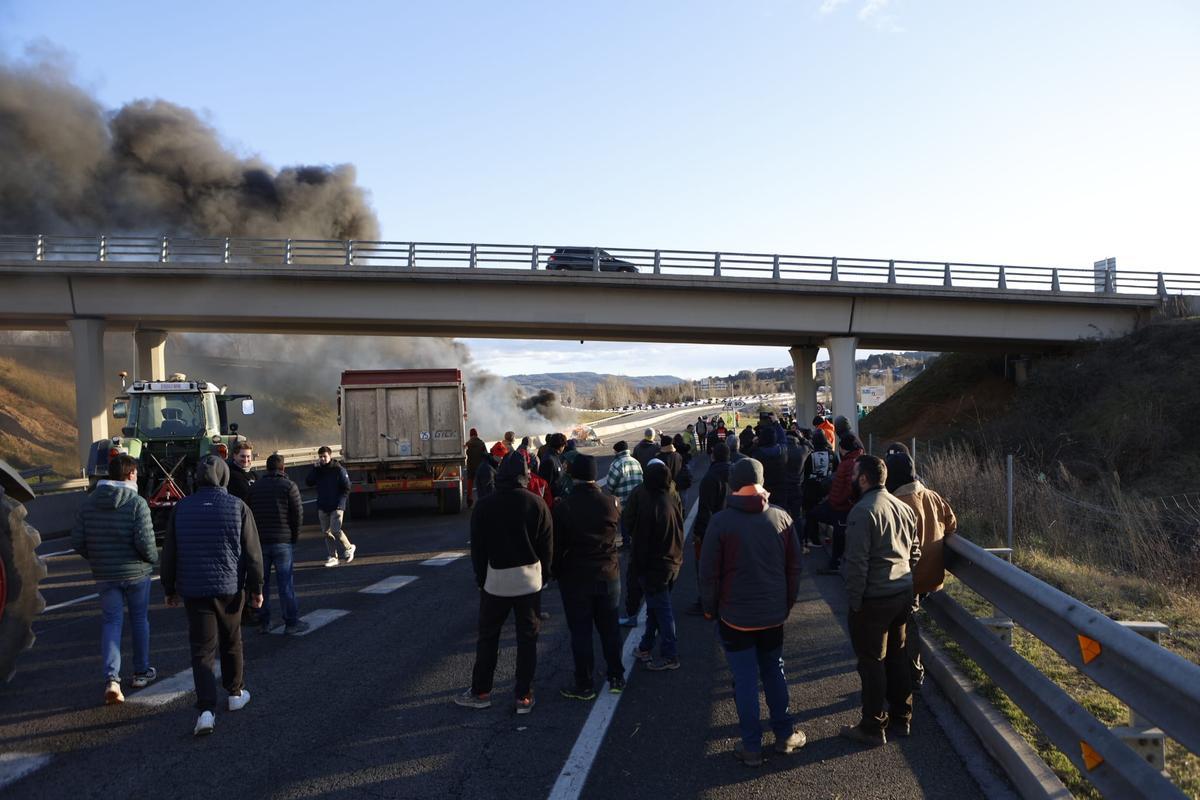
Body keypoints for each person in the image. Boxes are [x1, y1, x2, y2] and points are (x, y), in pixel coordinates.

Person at [699, 457, 806, 766]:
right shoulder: (781, 518)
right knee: (774, 670)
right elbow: (794, 569)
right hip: (773, 614)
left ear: (734, 484)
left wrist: (710, 609)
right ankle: (785, 735)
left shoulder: (721, 522)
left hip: (735, 617)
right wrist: (787, 603)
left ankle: (751, 747)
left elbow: (708, 574)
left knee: (745, 679)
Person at [161, 455, 264, 737]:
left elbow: (169, 554)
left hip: (194, 589)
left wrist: (169, 588)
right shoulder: (237, 507)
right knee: (232, 641)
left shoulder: (181, 508)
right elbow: (253, 555)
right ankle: (234, 693)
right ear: (224, 477)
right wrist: (257, 589)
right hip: (230, 588)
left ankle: (206, 710)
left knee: (202, 650)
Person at [456, 454, 552, 715]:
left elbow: (478, 550)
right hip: (529, 580)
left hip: (495, 581)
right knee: (527, 639)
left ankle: (481, 691)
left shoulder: (484, 506)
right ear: (526, 475)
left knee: (488, 638)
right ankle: (524, 695)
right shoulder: (537, 503)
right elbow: (546, 546)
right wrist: (545, 577)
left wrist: (480, 579)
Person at [840, 455, 920, 747]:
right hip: (902, 594)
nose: (851, 479)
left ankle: (873, 725)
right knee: (897, 656)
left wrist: (854, 602)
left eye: (854, 475)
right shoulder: (903, 507)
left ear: (864, 479)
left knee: (872, 662)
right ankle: (902, 716)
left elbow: (857, 564)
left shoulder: (862, 512)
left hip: (873, 599)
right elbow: (915, 551)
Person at [71, 453, 158, 705]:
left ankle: (112, 679)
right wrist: (151, 560)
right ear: (130, 475)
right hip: (136, 573)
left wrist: (97, 557)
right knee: (139, 620)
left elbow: (77, 540)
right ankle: (141, 673)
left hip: (105, 574)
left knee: (111, 623)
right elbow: (146, 543)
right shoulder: (137, 502)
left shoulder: (89, 503)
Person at [552, 455, 626, 699]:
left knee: (581, 632)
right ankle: (616, 675)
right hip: (608, 574)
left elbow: (557, 544)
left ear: (574, 476)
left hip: (576, 576)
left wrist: (554, 571)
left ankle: (584, 684)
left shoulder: (564, 506)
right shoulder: (611, 503)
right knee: (610, 628)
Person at [886, 452, 956, 687]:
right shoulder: (932, 495)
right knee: (909, 615)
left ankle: (913, 673)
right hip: (933, 572)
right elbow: (952, 524)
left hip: (909, 575)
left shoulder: (895, 503)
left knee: (906, 620)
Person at [626, 459, 685, 671]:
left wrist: (637, 570)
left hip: (655, 567)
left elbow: (640, 542)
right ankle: (645, 646)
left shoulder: (650, 506)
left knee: (663, 610)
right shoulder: (670, 498)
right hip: (672, 561)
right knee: (655, 608)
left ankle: (670, 655)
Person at [247, 453, 309, 635]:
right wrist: (294, 537)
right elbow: (298, 515)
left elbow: (248, 515)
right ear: (283, 468)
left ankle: (264, 622)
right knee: (285, 585)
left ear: (266, 468)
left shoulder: (255, 488)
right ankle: (291, 623)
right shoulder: (289, 486)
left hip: (260, 543)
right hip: (283, 542)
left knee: (261, 584)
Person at [686, 442, 730, 615]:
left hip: (713, 529)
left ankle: (707, 604)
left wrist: (698, 532)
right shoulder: (736, 473)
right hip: (732, 527)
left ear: (713, 455)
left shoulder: (710, 478)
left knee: (706, 568)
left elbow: (705, 509)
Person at [815, 433, 865, 574]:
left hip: (843, 506)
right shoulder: (853, 459)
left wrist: (840, 500)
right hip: (840, 504)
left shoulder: (850, 462)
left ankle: (836, 564)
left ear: (845, 448)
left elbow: (850, 487)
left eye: (841, 448)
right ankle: (836, 562)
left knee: (839, 535)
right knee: (837, 533)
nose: (839, 450)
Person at [307, 446, 355, 568]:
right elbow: (309, 482)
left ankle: (349, 548)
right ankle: (333, 556)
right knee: (326, 532)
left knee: (335, 529)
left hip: (336, 505)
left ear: (330, 456)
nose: (323, 459)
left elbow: (347, 487)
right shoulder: (318, 470)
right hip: (323, 505)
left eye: (325, 456)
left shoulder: (338, 469)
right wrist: (314, 468)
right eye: (320, 457)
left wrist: (341, 503)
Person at [749, 427, 788, 506]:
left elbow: (747, 455)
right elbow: (783, 439)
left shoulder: (757, 453)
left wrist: (753, 444)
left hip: (764, 487)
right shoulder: (783, 451)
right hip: (781, 487)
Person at [464, 428, 487, 507]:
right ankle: (482, 500)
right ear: (477, 434)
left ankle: (469, 501)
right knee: (480, 485)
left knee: (470, 484)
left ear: (470, 435)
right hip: (480, 467)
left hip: (470, 467)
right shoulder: (481, 443)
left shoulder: (468, 444)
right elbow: (486, 454)